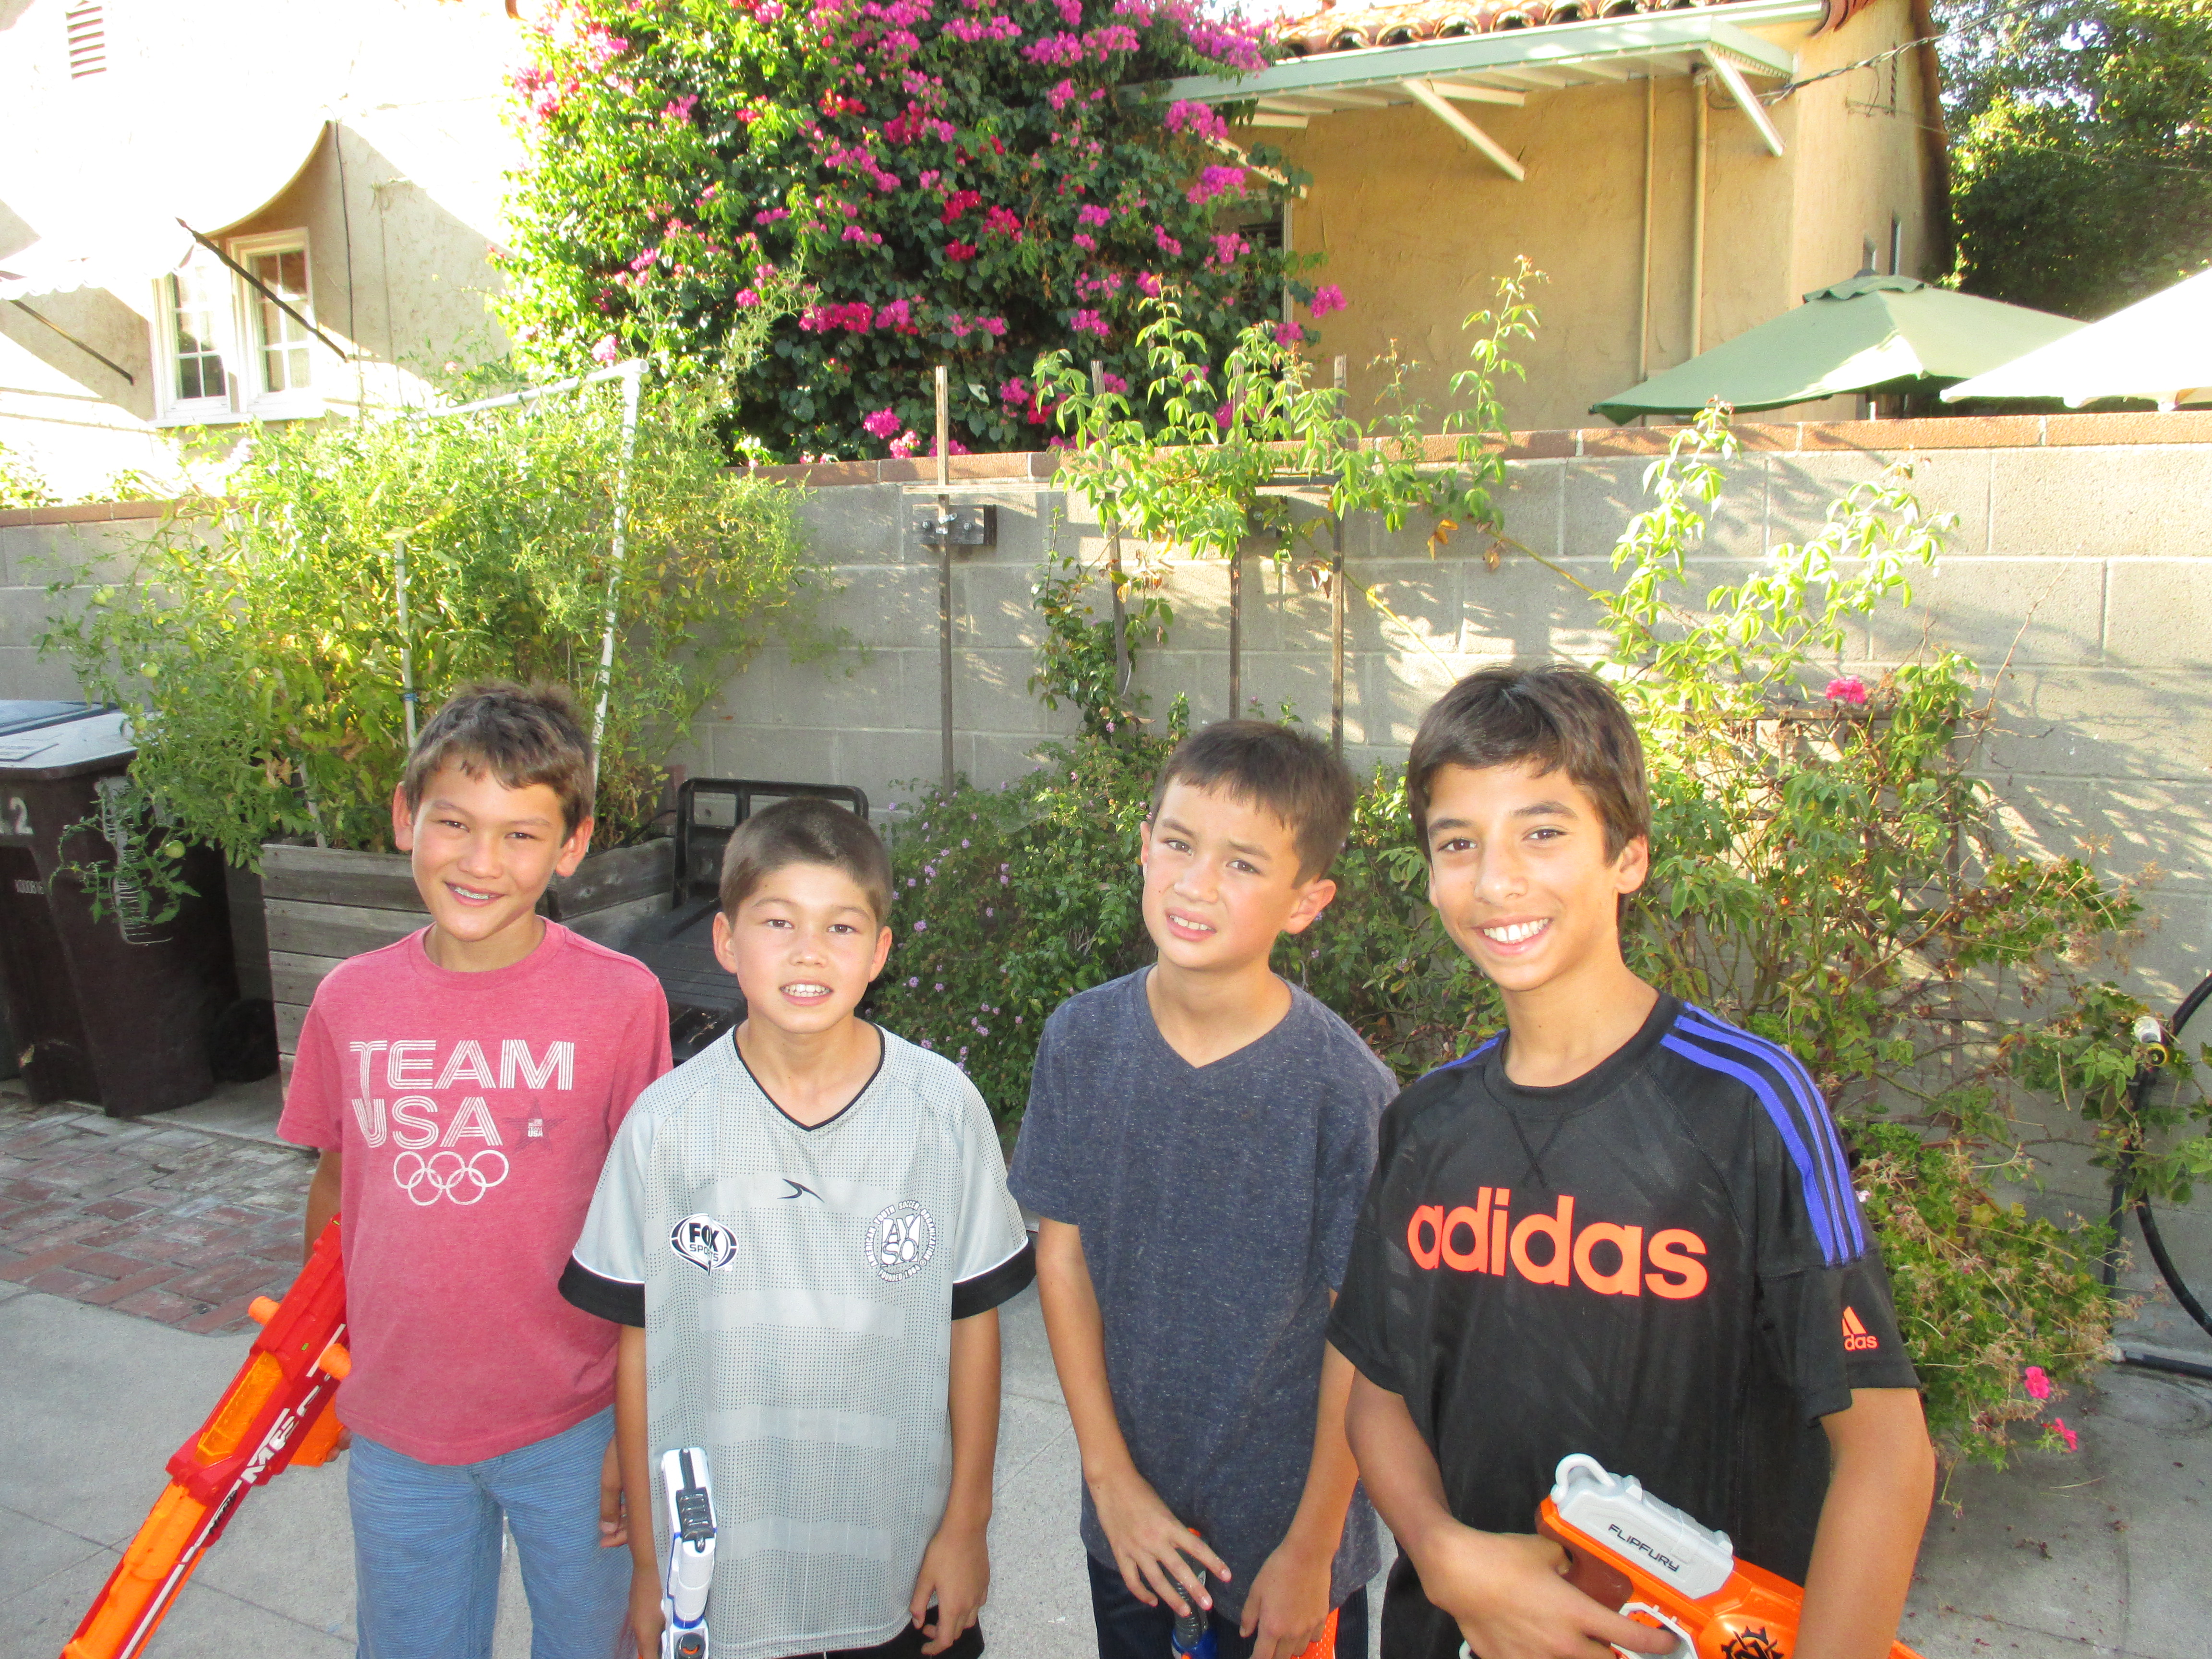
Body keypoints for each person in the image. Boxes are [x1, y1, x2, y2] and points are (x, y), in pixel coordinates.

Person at [1328, 664, 1937, 1659]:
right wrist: (1442, 1553)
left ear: (1629, 857)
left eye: (1542, 832)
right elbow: (1378, 1393)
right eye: (1457, 842)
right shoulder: (1426, 1122)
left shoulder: (1747, 1104)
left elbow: (1886, 1455)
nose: (1495, 880)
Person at [561, 794, 1034, 1659]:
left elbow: (974, 1326)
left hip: (897, 1562)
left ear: (880, 952)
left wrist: (967, 1524)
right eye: (779, 922)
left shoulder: (942, 1110)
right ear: (726, 940)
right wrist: (650, 1563)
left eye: (841, 927)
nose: (809, 951)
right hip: (726, 1578)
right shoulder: (666, 1125)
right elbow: (643, 1346)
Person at [282, 681, 673, 1658]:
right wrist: (312, 1354)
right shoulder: (348, 1001)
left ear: (572, 847)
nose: (481, 861)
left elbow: (653, 1226)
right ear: (406, 817)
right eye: (454, 823)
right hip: (399, 1428)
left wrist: (643, 1428)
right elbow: (336, 1186)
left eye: (520, 835)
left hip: (578, 1427)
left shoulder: (623, 1001)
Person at [1010, 720, 1395, 1659]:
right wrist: (1110, 1483)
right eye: (1179, 844)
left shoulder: (1345, 1090)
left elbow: (1362, 1339)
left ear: (1307, 901)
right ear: (1145, 846)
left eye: (1243, 864)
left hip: (1284, 1556)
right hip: (1130, 1529)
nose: (1195, 883)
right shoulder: (1082, 1040)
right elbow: (1063, 1259)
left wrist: (1311, 1549)